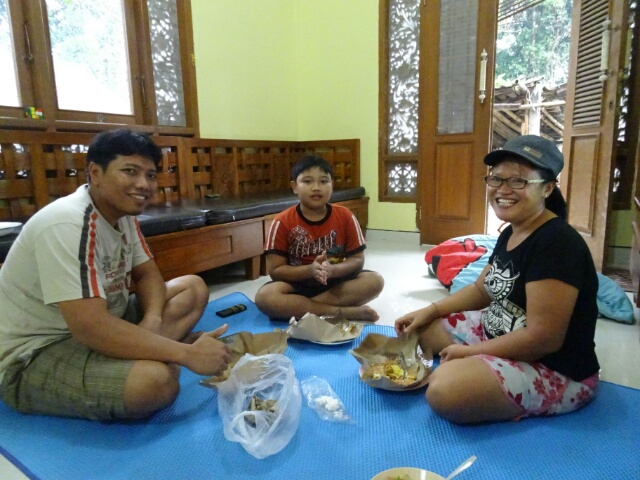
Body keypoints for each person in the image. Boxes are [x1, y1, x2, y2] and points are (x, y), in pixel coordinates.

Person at [0, 128, 232, 421]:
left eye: (150, 175)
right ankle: (155, 355)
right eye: (130, 171)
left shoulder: (121, 215)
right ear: (95, 173)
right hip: (39, 351)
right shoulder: (67, 224)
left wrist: (151, 321)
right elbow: (90, 327)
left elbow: (148, 276)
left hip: (107, 320)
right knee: (156, 382)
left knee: (192, 288)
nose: (143, 184)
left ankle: (147, 351)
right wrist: (184, 354)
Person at [395, 135, 600, 424]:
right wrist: (430, 310)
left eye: (518, 181)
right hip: (501, 333)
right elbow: (482, 290)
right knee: (418, 331)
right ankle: (483, 373)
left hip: (551, 366)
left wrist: (471, 353)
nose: (503, 189)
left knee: (444, 390)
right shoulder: (512, 231)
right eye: (496, 179)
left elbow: (543, 338)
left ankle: (512, 392)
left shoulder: (557, 243)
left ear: (547, 188)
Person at [255, 155, 384, 322]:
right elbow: (276, 271)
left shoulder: (345, 216)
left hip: (335, 284)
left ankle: (302, 309)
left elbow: (358, 260)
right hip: (297, 285)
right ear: (294, 187)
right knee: (265, 297)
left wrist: (333, 270)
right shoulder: (282, 221)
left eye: (323, 181)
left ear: (332, 185)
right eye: (307, 181)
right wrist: (310, 270)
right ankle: (345, 313)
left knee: (375, 281)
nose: (316, 188)